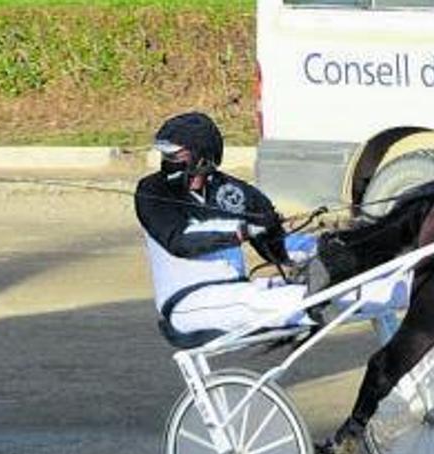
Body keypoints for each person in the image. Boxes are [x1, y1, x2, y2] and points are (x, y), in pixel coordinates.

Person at [136, 112, 324, 337]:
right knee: (295, 298)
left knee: (342, 289)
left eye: (176, 156)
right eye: (166, 156)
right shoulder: (152, 190)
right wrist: (243, 230)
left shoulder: (237, 192)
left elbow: (278, 249)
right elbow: (180, 240)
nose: (169, 163)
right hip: (187, 302)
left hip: (237, 293)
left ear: (202, 155)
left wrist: (325, 246)